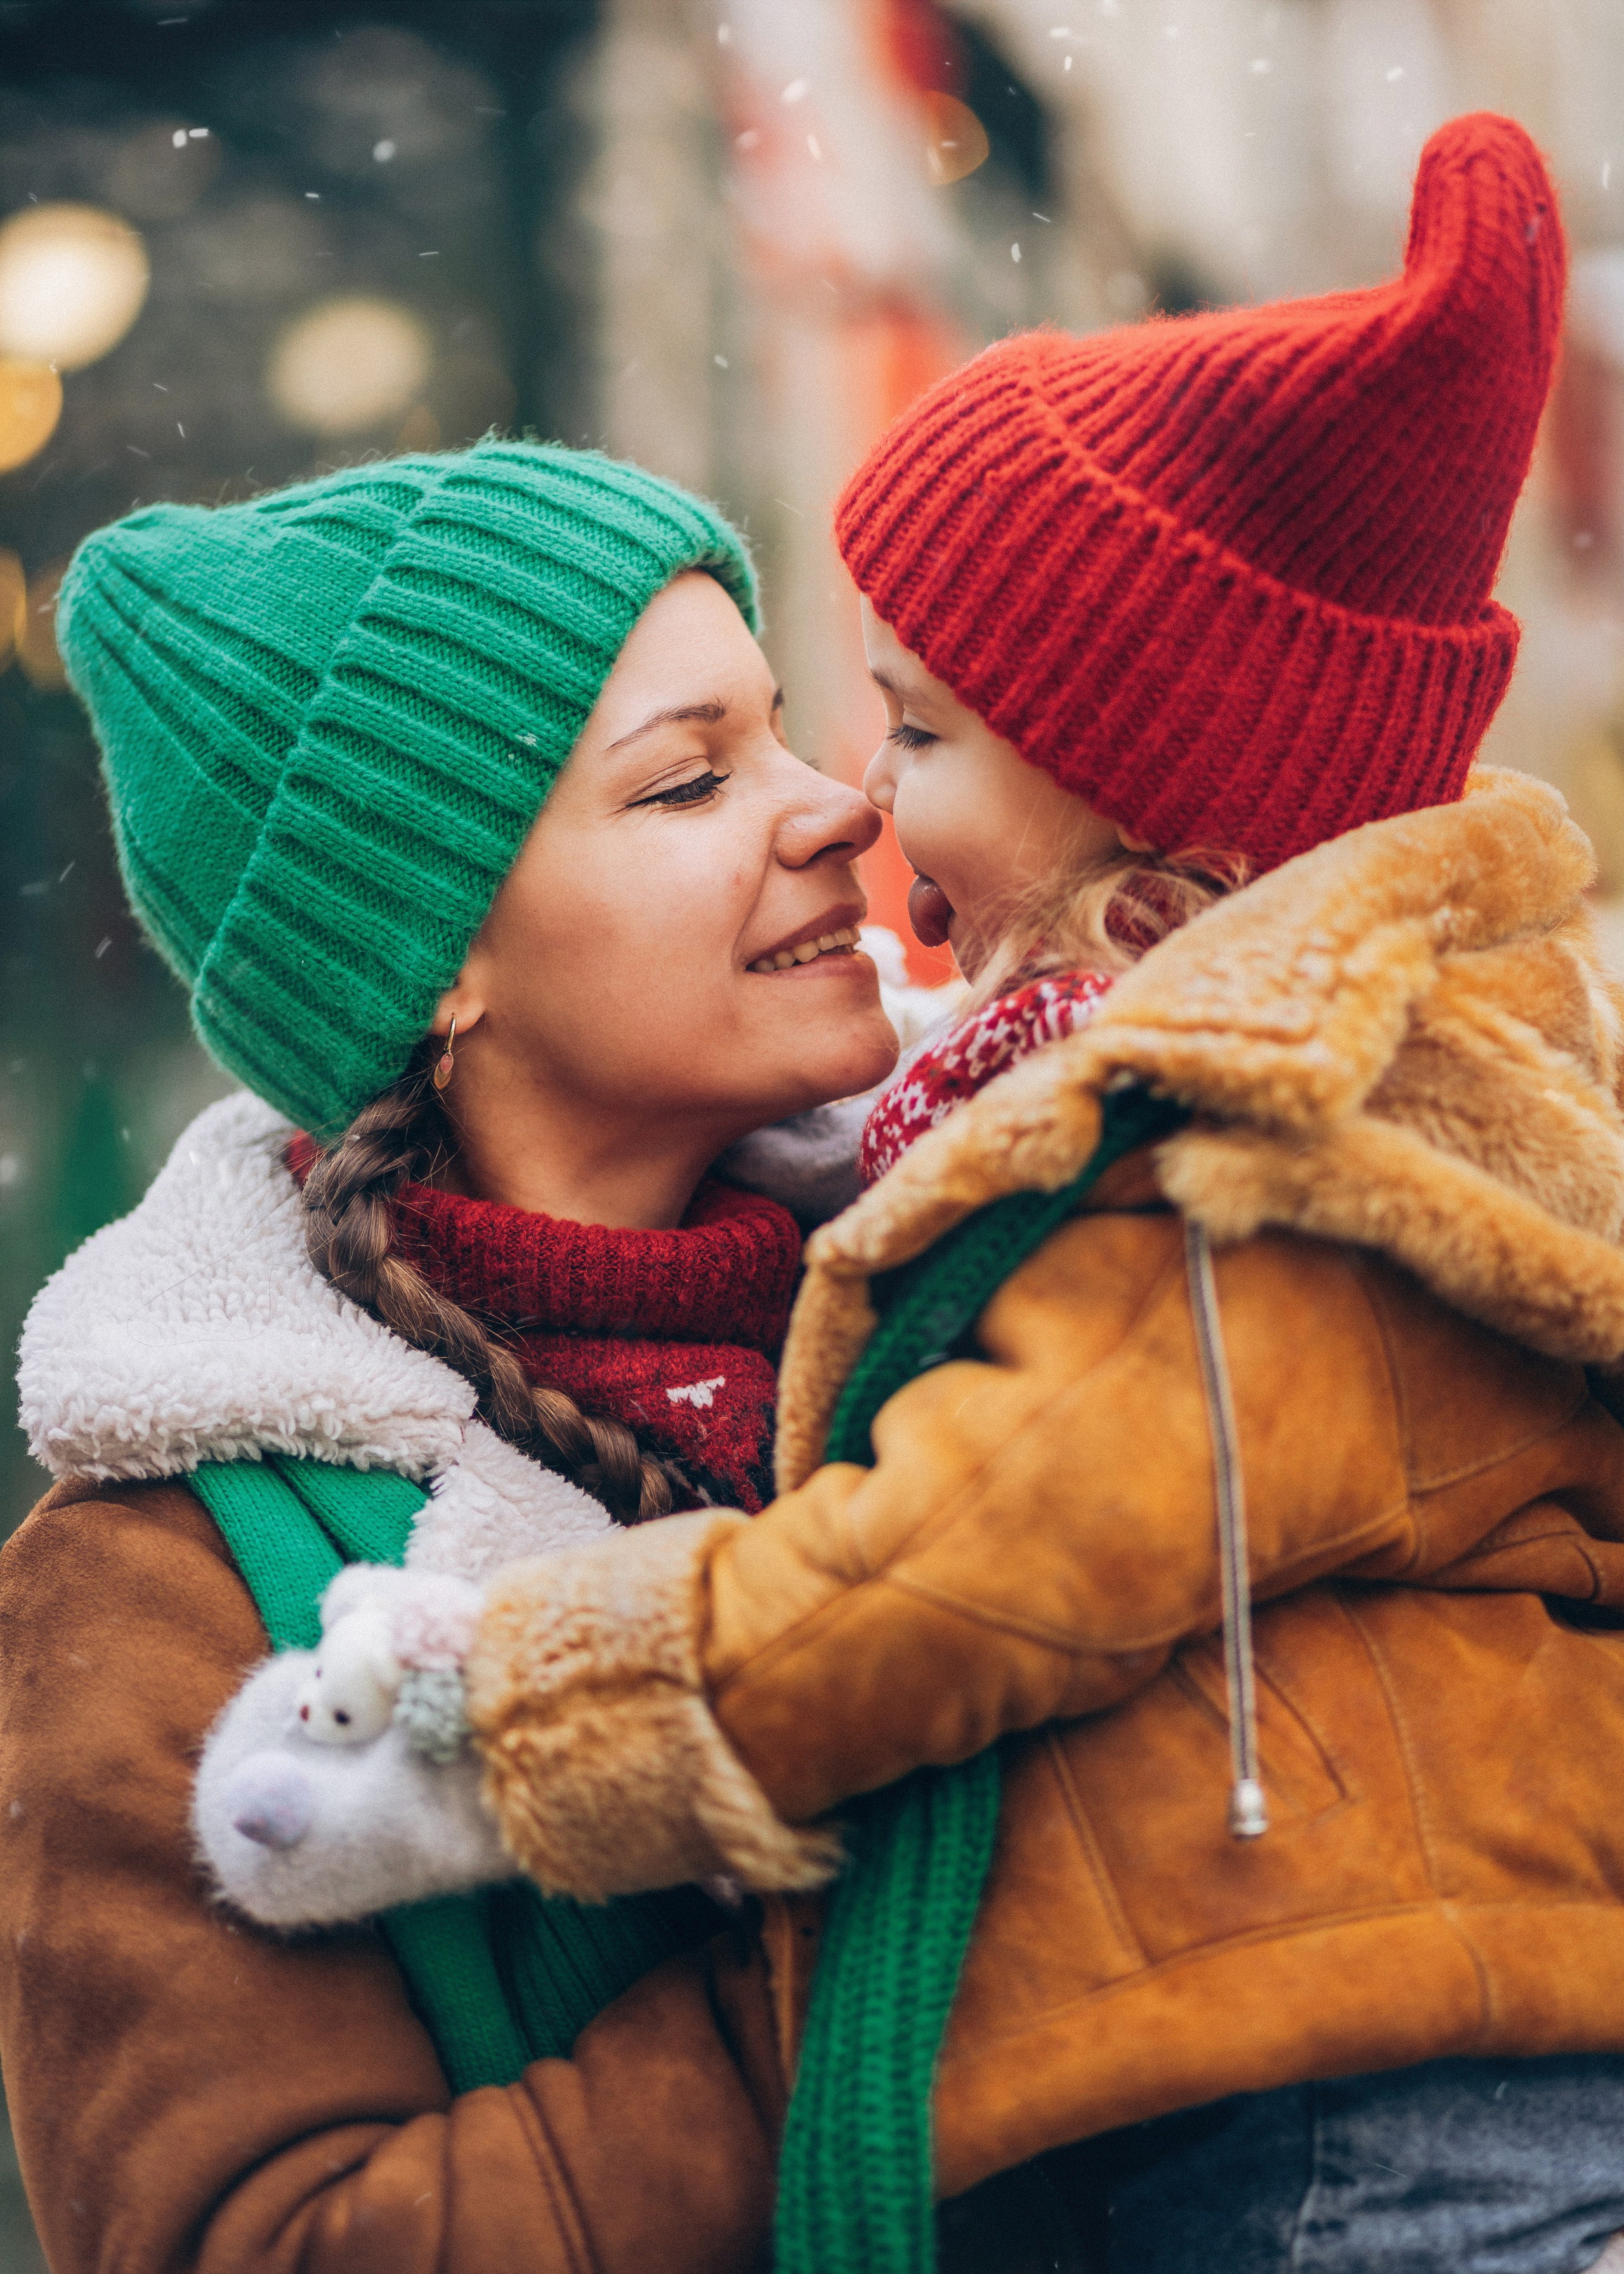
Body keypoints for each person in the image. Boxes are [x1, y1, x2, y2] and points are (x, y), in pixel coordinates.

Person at [400, 117, 1624, 2272]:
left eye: (923, 730)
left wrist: (511, 1709)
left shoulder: (1234, 1168)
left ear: (1168, 851)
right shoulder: (1210, 1097)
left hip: (1354, 2140)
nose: (864, 801)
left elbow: (948, 1569)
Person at [2, 441, 907, 2273]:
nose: (837, 810)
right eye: (691, 783)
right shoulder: (163, 1582)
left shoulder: (1005, 1282)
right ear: (438, 959)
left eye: (790, 732)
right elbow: (271, 2243)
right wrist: (923, 1965)